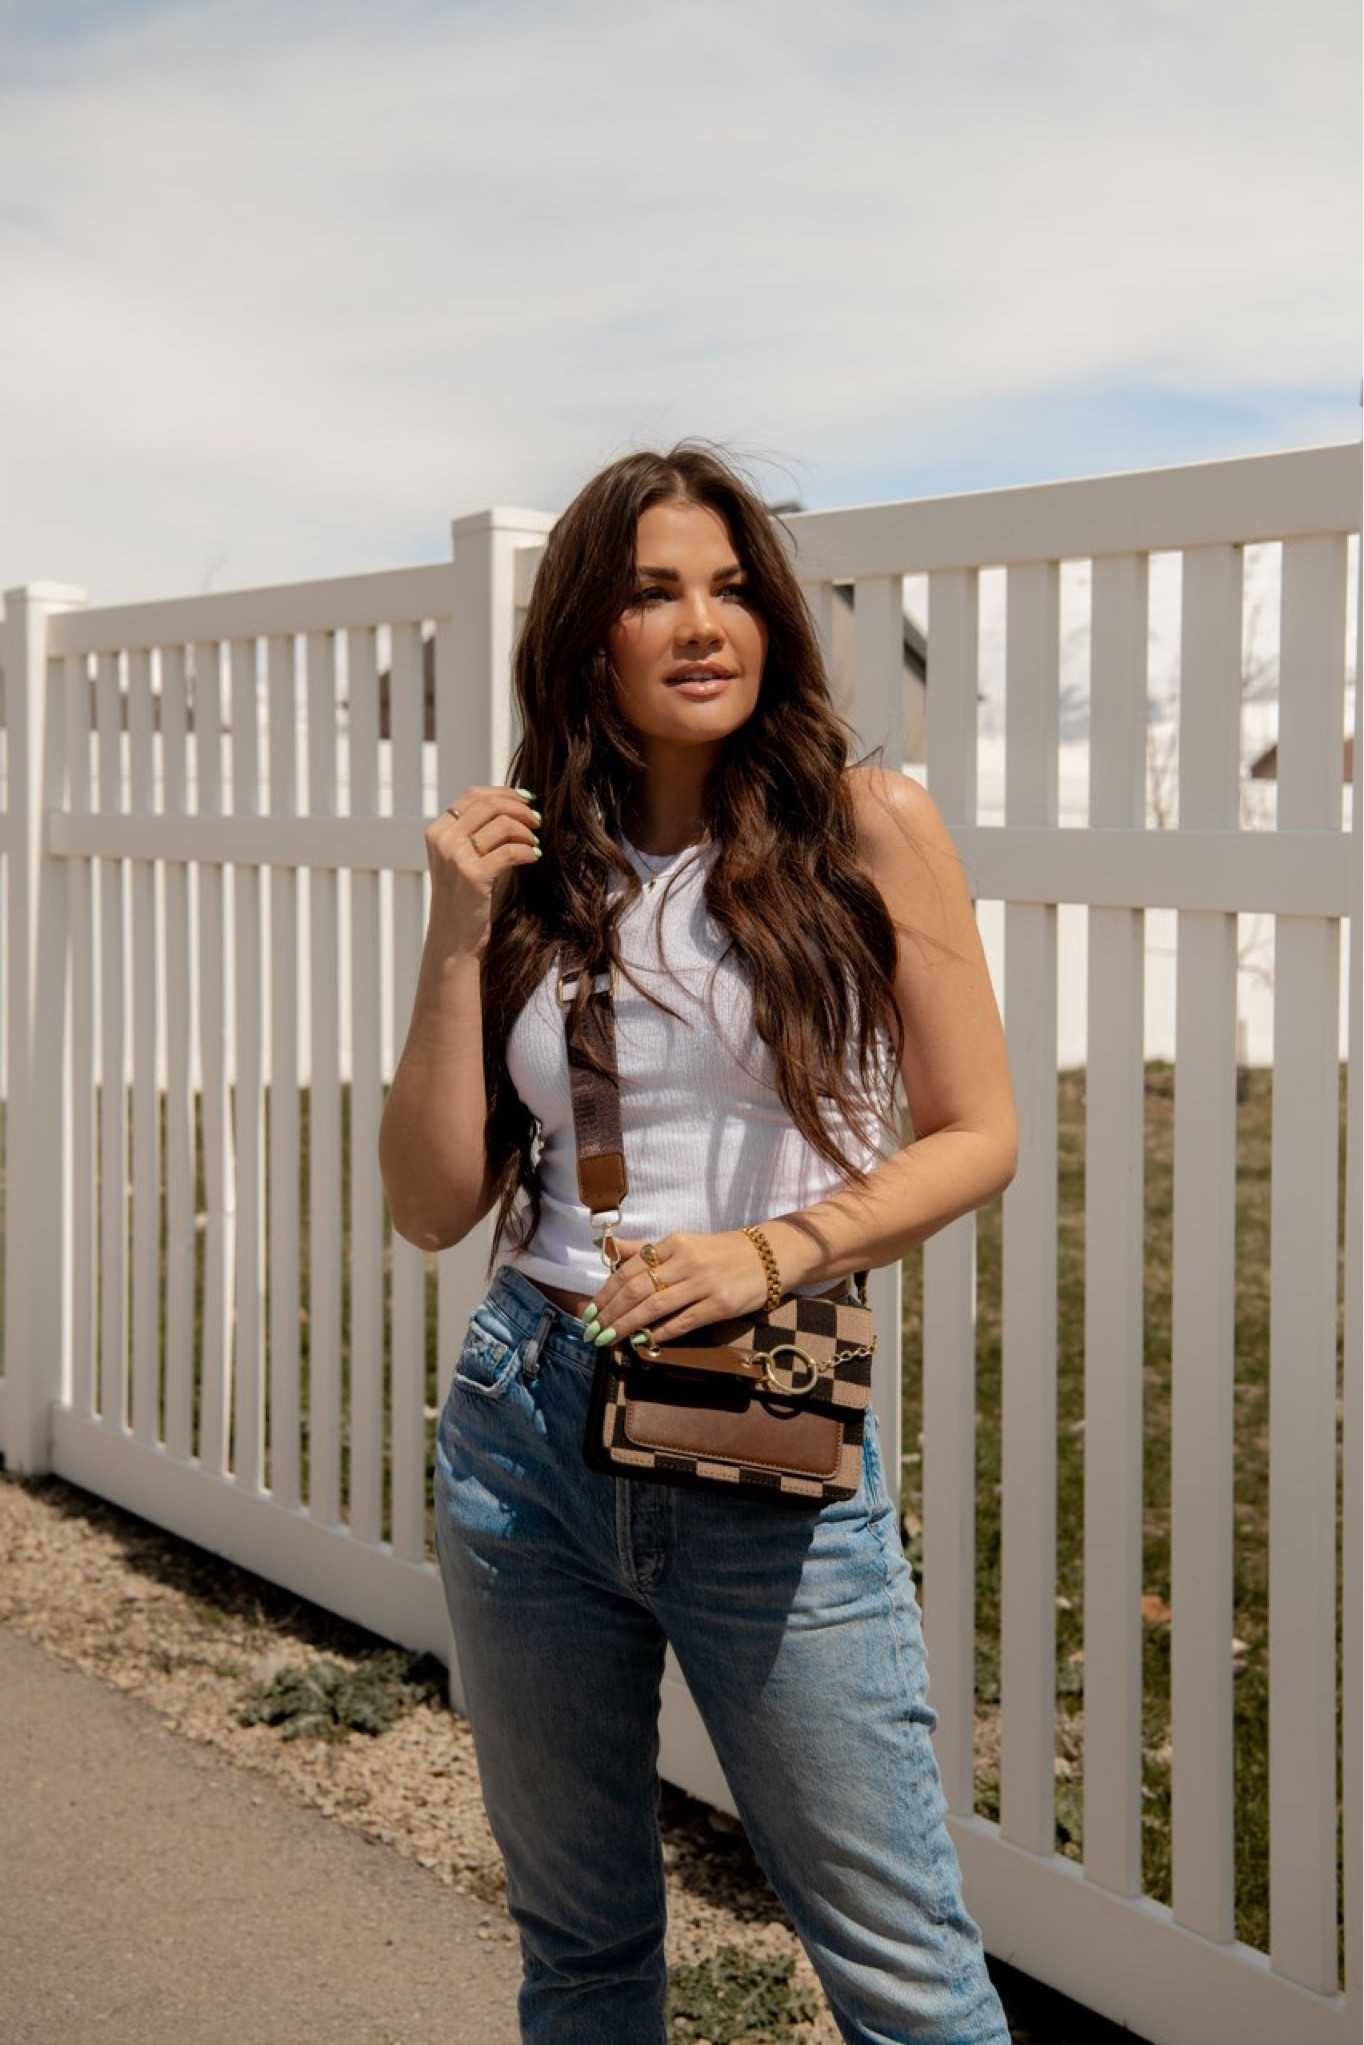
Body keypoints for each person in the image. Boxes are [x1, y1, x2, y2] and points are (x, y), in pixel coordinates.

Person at [379, 444, 1017, 2044]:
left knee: (904, 1970)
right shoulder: (537, 868)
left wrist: (772, 1250)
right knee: (581, 1951)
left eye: (731, 587)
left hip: (764, 1423)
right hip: (527, 1427)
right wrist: (457, 933)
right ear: (589, 627)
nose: (702, 621)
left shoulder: (868, 824)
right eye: (655, 590)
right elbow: (427, 1201)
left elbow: (979, 1131)